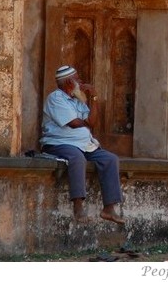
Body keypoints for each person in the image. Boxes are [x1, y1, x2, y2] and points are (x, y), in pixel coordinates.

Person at [40, 65, 125, 225]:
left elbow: (92, 122)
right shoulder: (56, 98)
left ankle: (109, 208)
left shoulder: (78, 100)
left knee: (110, 159)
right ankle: (78, 208)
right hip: (59, 143)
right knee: (77, 159)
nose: (80, 82)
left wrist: (94, 98)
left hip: (84, 144)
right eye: (77, 79)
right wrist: (84, 124)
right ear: (69, 82)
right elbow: (74, 123)